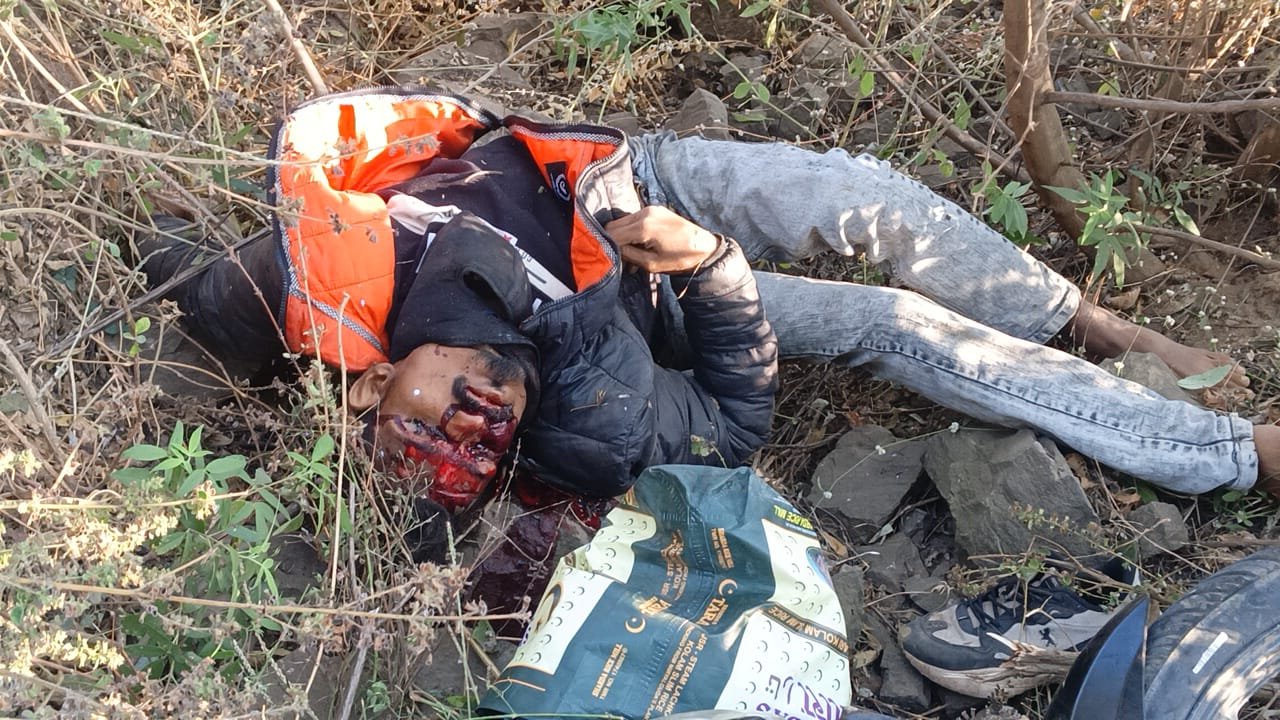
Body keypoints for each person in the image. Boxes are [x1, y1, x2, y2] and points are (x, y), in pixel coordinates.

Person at [140, 87, 1280, 514]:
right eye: (478, 448)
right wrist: (707, 268)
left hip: (620, 173)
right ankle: (1225, 451)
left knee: (863, 196)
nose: (477, 413)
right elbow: (734, 419)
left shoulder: (318, 291)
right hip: (670, 287)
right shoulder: (592, 418)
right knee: (892, 325)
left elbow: (187, 304)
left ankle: (1085, 319)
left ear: (376, 385)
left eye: (434, 418)